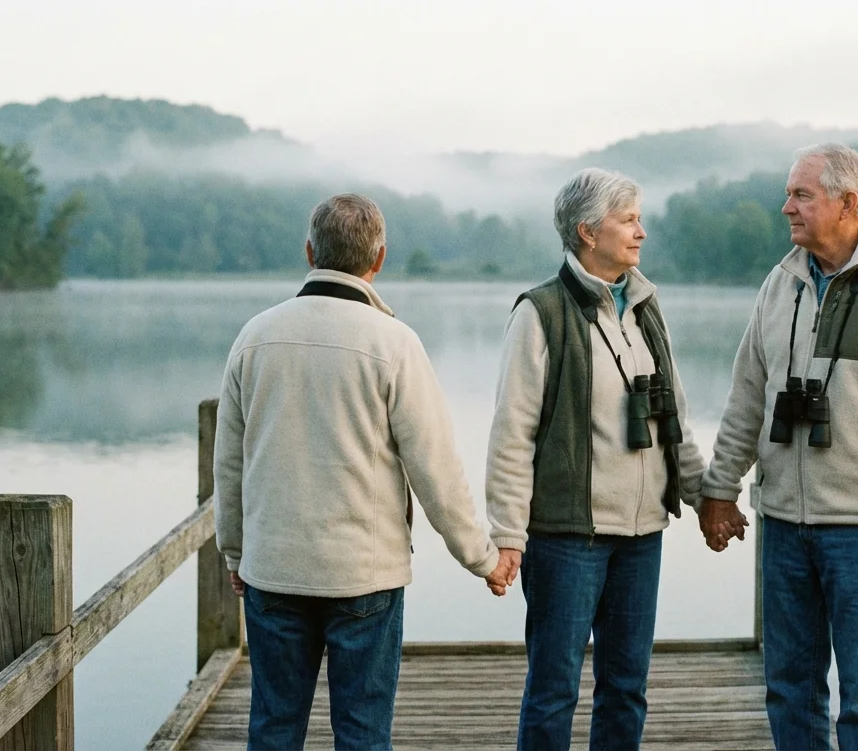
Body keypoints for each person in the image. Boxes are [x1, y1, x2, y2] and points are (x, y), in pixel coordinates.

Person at [213, 193, 517, 751]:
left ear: (309, 252)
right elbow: (436, 468)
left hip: (274, 570)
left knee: (274, 729)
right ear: (378, 259)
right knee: (362, 733)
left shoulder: (254, 336)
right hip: (364, 576)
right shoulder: (394, 343)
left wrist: (235, 552)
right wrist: (483, 559)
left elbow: (229, 463)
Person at [698, 143, 858, 750]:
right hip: (784, 523)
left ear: (848, 203)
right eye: (789, 193)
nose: (785, 206)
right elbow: (747, 397)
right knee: (789, 686)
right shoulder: (779, 282)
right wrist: (719, 489)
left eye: (801, 195)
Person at [485, 168, 719, 750]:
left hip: (643, 536)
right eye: (628, 220)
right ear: (588, 232)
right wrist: (508, 535)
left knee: (626, 688)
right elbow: (512, 434)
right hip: (567, 537)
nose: (641, 231)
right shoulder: (539, 312)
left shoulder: (645, 307)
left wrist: (705, 497)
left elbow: (673, 417)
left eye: (639, 218)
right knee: (553, 689)